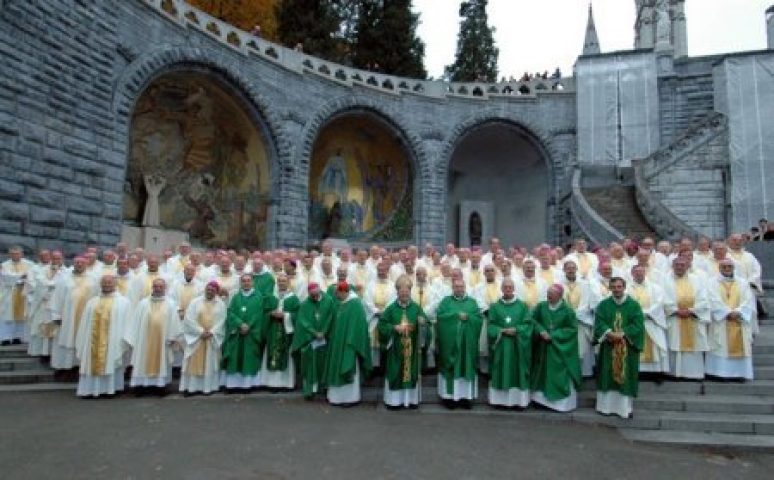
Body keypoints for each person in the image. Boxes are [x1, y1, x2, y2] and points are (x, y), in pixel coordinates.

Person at [594, 277, 645, 418]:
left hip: (627, 348)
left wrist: (622, 333)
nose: (616, 289)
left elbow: (638, 324)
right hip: (609, 346)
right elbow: (599, 322)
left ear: (624, 287)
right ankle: (605, 407)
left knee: (625, 375)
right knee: (607, 373)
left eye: (619, 287)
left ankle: (624, 408)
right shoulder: (603, 305)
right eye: (614, 287)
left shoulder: (634, 305)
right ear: (610, 288)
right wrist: (609, 333)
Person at [74, 275, 131, 398]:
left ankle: (110, 390)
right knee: (91, 363)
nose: (107, 285)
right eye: (104, 283)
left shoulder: (123, 302)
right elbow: (84, 322)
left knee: (111, 361)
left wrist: (125, 340)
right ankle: (89, 390)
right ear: (101, 285)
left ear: (115, 284)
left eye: (109, 283)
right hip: (91, 340)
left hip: (113, 340)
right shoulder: (92, 302)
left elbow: (127, 322)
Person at [124, 278, 181, 392]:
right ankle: (141, 386)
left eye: (161, 287)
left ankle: (160, 386)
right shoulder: (143, 303)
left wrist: (172, 337)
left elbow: (174, 322)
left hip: (163, 340)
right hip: (144, 340)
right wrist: (134, 338)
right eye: (156, 286)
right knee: (142, 360)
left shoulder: (171, 304)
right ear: (152, 288)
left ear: (165, 288)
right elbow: (135, 322)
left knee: (162, 362)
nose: (158, 289)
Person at [530, 284, 581, 412]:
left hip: (559, 349)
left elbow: (572, 329)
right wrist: (541, 331)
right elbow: (531, 320)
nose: (549, 298)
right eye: (548, 295)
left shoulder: (568, 311)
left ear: (560, 296)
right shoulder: (541, 306)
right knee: (541, 374)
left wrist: (553, 335)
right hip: (542, 348)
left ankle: (559, 404)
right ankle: (539, 401)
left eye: (551, 296)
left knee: (558, 374)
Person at [378, 275, 426, 409]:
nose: (404, 294)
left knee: (411, 373)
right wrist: (394, 328)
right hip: (396, 348)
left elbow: (425, 324)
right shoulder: (391, 308)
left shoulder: (416, 308)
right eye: (402, 292)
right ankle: (394, 402)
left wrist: (422, 324)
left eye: (407, 292)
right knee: (396, 372)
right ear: (397, 292)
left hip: (412, 349)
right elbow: (382, 325)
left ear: (410, 292)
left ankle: (411, 401)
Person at [435, 278, 483, 409]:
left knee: (466, 367)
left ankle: (466, 398)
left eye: (461, 287)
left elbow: (479, 319)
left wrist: (468, 317)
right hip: (450, 345)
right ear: (452, 288)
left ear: (465, 287)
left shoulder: (472, 303)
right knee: (450, 368)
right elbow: (440, 317)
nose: (459, 289)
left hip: (467, 345)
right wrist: (456, 316)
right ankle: (449, 398)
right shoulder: (446, 302)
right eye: (456, 287)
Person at [487, 278, 533, 409]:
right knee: (500, 370)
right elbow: (491, 326)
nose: (508, 289)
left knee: (517, 371)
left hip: (517, 346)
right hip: (501, 345)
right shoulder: (495, 307)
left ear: (513, 289)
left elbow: (528, 324)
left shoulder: (522, 306)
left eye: (510, 287)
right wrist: (500, 330)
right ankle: (499, 401)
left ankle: (519, 402)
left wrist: (517, 330)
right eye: (505, 287)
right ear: (501, 289)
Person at [706, 259, 756, 380]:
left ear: (733, 268)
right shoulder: (711, 282)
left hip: (739, 320)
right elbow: (712, 299)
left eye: (729, 266)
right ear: (719, 268)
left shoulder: (743, 282)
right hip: (722, 321)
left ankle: (740, 374)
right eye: (724, 267)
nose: (727, 269)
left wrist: (738, 312)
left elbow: (748, 300)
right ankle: (720, 373)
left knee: (741, 345)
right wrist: (726, 313)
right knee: (720, 346)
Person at [324, 282, 372, 406]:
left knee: (348, 366)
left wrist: (350, 340)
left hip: (349, 344)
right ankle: (335, 398)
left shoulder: (355, 304)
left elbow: (359, 325)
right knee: (336, 366)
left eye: (338, 294)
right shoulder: (338, 303)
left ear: (344, 292)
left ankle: (350, 398)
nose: (336, 296)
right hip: (336, 342)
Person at [663, 257, 710, 379]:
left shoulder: (696, 280)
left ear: (687, 266)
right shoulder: (665, 280)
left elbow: (703, 298)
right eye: (677, 265)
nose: (679, 267)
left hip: (692, 318)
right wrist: (675, 310)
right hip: (674, 318)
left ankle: (693, 374)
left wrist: (691, 311)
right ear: (672, 266)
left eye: (682, 265)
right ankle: (674, 373)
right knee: (675, 345)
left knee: (693, 346)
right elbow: (662, 298)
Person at [50, 256, 99, 370]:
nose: (79, 264)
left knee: (83, 340)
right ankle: (63, 367)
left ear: (86, 264)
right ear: (73, 263)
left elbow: (97, 297)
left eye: (82, 262)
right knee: (65, 340)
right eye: (77, 262)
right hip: (67, 317)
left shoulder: (93, 279)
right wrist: (56, 315)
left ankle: (79, 367)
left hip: (86, 317)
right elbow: (57, 297)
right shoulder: (64, 279)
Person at [180, 280, 226, 395]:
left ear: (216, 291)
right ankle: (192, 388)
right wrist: (200, 331)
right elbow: (189, 319)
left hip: (211, 338)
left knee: (210, 363)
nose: (210, 291)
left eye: (213, 290)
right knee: (193, 363)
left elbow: (222, 321)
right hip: (197, 338)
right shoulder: (195, 302)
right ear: (205, 289)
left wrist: (212, 332)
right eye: (208, 289)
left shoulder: (221, 304)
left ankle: (208, 388)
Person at [221, 274, 265, 391]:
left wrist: (248, 326)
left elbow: (259, 314)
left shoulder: (258, 297)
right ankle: (233, 385)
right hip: (237, 333)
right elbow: (230, 312)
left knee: (249, 358)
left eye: (248, 281)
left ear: (252, 282)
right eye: (244, 281)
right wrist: (240, 324)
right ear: (241, 283)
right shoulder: (235, 297)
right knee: (234, 357)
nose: (246, 283)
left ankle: (248, 385)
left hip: (251, 334)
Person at [291, 283, 335, 399]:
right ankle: (310, 391)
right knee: (310, 365)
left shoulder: (329, 301)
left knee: (324, 364)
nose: (315, 298)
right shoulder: (305, 304)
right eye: (312, 296)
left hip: (325, 340)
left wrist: (324, 332)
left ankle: (324, 388)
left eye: (316, 295)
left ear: (320, 291)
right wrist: (314, 332)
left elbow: (331, 317)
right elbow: (302, 321)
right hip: (310, 340)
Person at [260, 273, 300, 390]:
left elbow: (297, 315)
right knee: (271, 353)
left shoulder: (293, 298)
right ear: (277, 283)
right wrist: (270, 314)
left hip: (286, 331)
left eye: (284, 281)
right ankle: (271, 383)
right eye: (280, 281)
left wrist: (286, 316)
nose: (282, 283)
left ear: (288, 283)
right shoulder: (271, 297)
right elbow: (263, 312)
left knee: (285, 354)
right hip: (272, 329)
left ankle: (286, 383)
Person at [627, 265, 669, 374]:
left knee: (654, 347)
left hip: (651, 321)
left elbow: (659, 303)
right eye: (636, 272)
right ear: (632, 274)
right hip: (633, 323)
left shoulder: (655, 288)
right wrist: (637, 316)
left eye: (641, 271)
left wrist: (646, 313)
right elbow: (624, 303)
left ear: (645, 273)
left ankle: (654, 371)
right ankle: (636, 371)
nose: (639, 274)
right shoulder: (626, 288)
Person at [0, 246, 34, 344]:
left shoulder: (29, 264)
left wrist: (17, 278)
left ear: (22, 254)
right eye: (13, 254)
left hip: (23, 293)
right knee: (7, 317)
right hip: (9, 294)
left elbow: (31, 277)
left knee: (21, 317)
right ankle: (5, 338)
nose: (15, 255)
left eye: (17, 253)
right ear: (9, 254)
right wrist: (21, 277)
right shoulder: (4, 265)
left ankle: (17, 337)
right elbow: (6, 277)